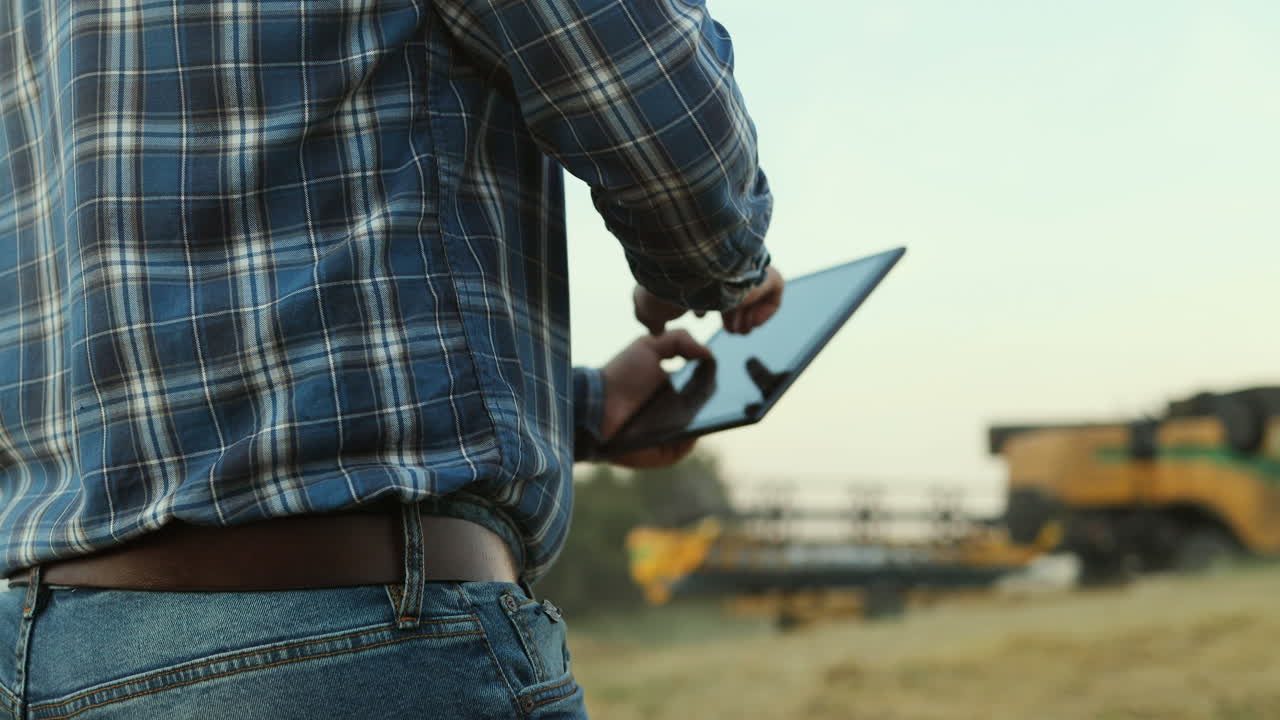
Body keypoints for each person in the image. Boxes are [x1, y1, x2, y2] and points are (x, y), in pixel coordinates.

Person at [0, 0, 780, 717]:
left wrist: (578, 411)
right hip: (351, 639)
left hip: (41, 651)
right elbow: (651, 95)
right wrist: (722, 265)